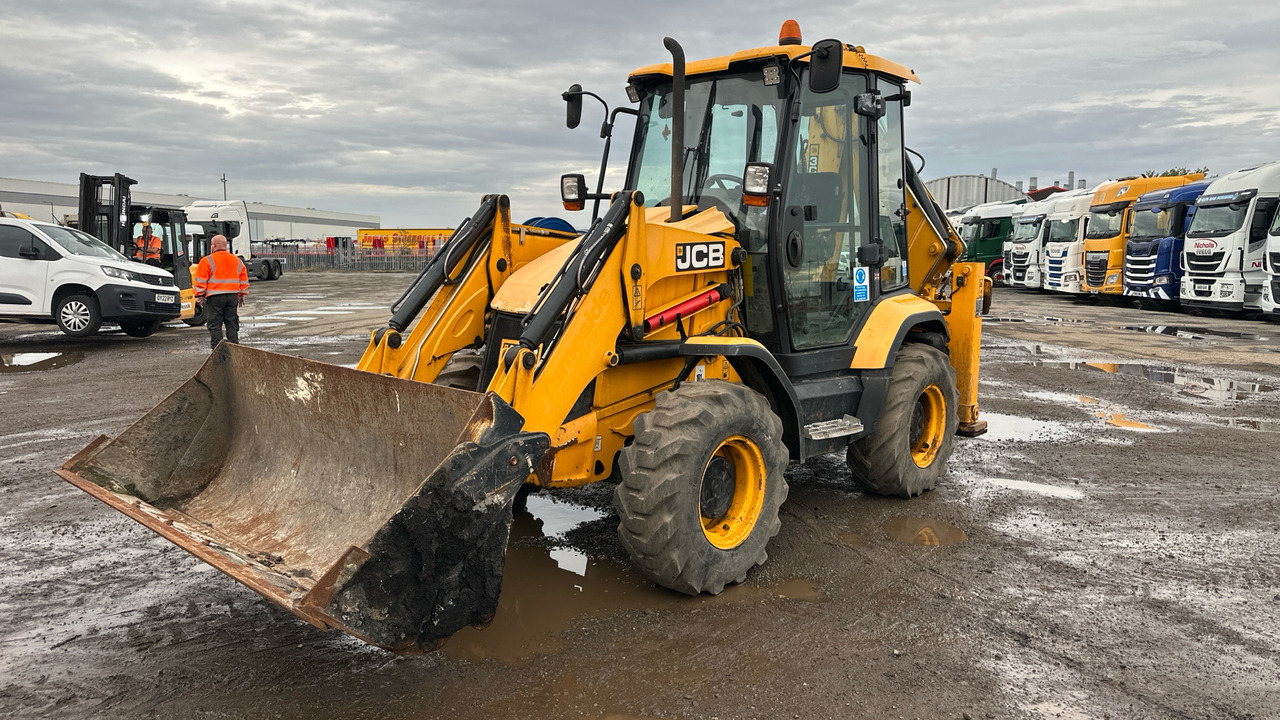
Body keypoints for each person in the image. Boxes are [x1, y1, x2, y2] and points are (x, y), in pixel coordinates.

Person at [192, 234, 249, 349]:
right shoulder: (237, 260)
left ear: (213, 246)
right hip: (232, 296)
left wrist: (199, 295)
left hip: (215, 297)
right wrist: (241, 294)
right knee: (231, 322)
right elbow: (243, 279)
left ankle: (217, 350)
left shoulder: (207, 261)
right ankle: (234, 348)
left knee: (215, 323)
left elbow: (201, 280)